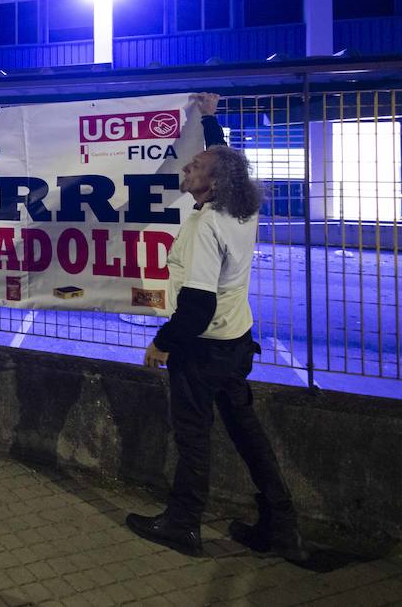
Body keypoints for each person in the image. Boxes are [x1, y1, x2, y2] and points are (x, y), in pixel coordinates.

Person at [126, 93, 308, 562]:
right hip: (237, 345)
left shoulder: (206, 225)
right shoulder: (241, 209)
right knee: (247, 433)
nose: (187, 168)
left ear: (213, 183)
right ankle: (281, 524)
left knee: (192, 438)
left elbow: (197, 306)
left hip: (204, 350)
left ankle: (183, 524)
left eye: (195, 167)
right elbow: (226, 159)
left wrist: (162, 343)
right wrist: (210, 122)